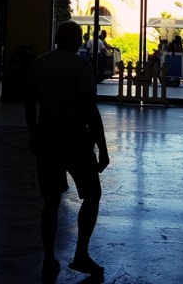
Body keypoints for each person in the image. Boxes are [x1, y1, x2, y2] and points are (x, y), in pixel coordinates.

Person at [24, 20, 110, 282]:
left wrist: (34, 133)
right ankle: (81, 253)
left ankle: (49, 257)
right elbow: (90, 111)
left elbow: (29, 102)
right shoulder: (81, 66)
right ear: (76, 39)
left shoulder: (40, 62)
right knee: (92, 193)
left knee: (50, 200)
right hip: (75, 137)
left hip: (48, 134)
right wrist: (102, 148)